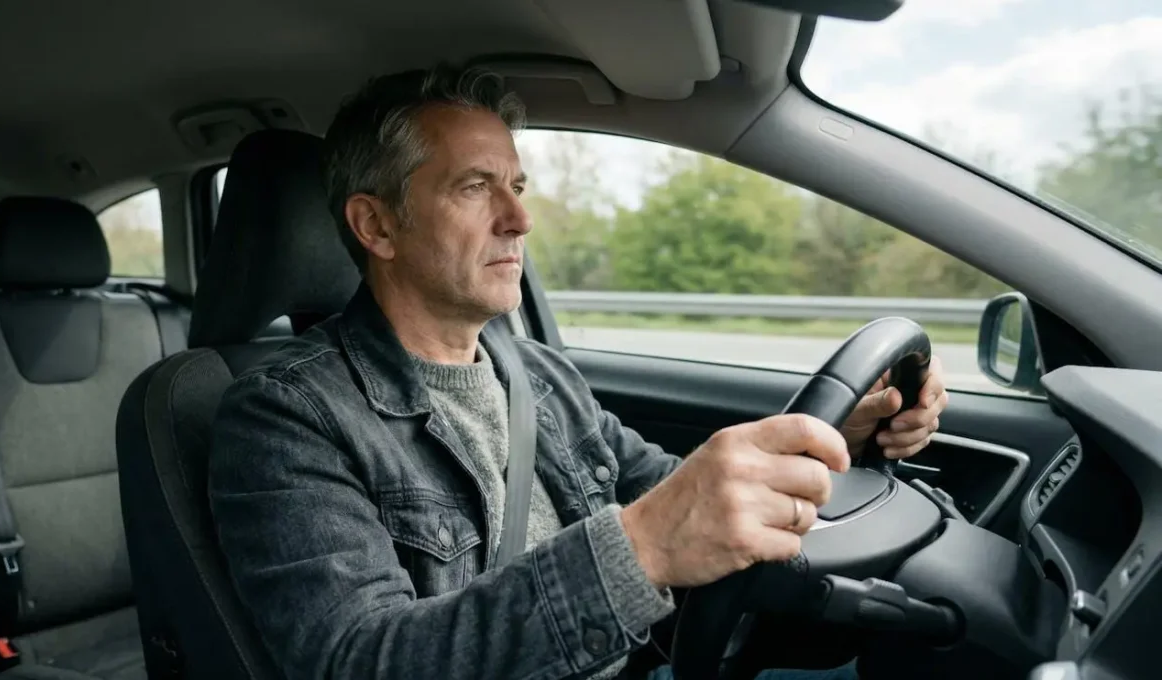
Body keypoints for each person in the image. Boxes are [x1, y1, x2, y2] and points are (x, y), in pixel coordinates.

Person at [207, 63, 949, 680]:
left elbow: (675, 489)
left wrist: (837, 437)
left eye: (517, 187)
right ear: (377, 226)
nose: (520, 219)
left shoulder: (539, 376)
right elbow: (362, 662)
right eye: (474, 187)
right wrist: (644, 547)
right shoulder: (285, 418)